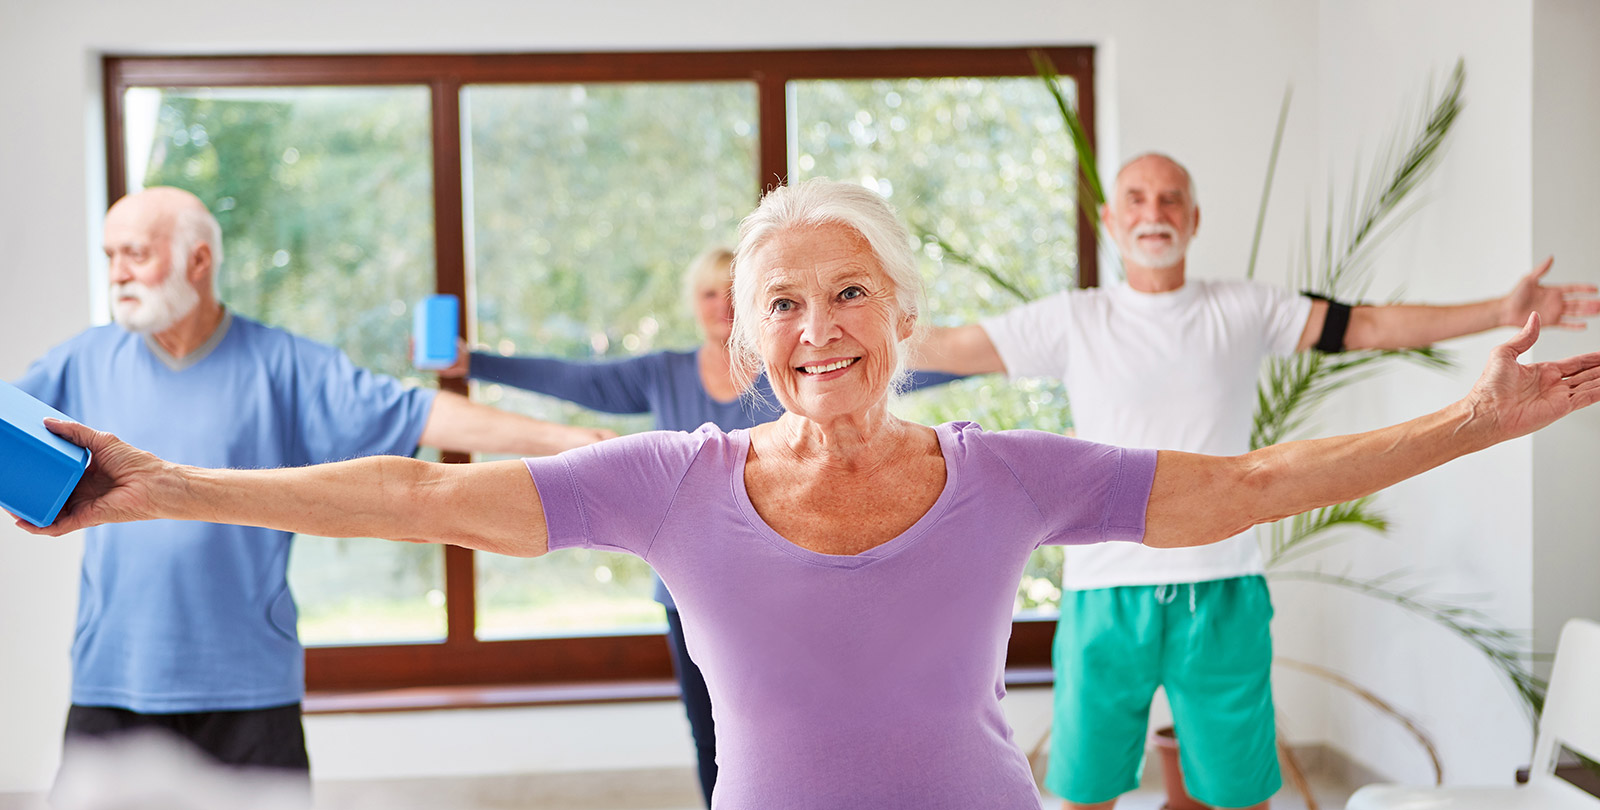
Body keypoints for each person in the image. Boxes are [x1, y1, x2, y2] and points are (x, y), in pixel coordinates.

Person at [14, 178, 1600, 810]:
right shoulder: (671, 483)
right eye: (781, 301)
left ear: (906, 319)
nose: (815, 329)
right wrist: (156, 480)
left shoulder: (1010, 473)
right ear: (746, 329)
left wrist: (1476, 416)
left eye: (849, 295)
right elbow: (409, 493)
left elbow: (1246, 477)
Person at [911, 153, 1600, 810]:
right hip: (1103, 594)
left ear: (1194, 218)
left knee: (1239, 792)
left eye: (1171, 198)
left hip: (1223, 587)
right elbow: (946, 348)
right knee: (1086, 790)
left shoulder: (1242, 308)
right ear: (1110, 220)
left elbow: (1367, 325)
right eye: (1137, 199)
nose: (1156, 211)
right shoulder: (1072, 318)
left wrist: (1501, 311)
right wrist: (836, 331)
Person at [11, 187, 612, 781]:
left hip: (248, 686)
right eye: (109, 256)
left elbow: (418, 413)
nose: (117, 273)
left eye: (135, 253)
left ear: (198, 261)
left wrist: (569, 443)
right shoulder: (83, 361)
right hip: (115, 679)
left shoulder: (282, 364)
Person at [434, 246, 960, 806]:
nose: (723, 307)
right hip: (688, 594)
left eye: (737, 294)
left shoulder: (802, 368)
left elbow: (895, 359)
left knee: (799, 732)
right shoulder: (662, 372)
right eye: (710, 294)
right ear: (695, 305)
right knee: (710, 734)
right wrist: (476, 364)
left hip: (789, 589)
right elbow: (575, 379)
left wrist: (1005, 350)